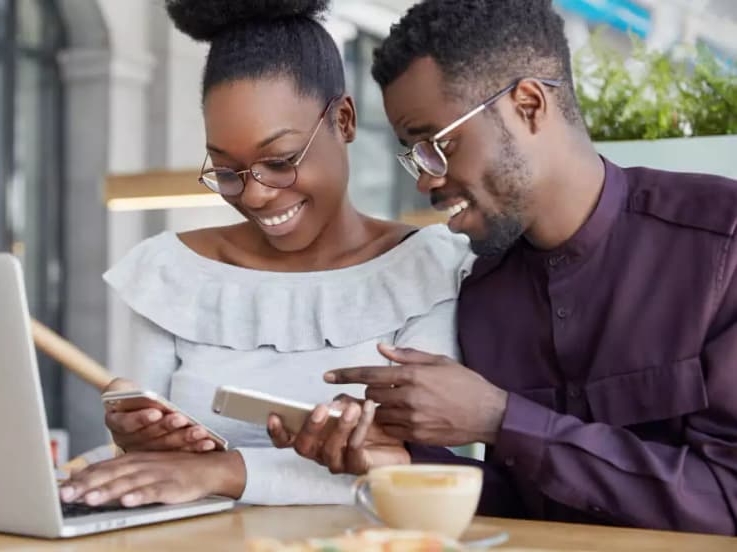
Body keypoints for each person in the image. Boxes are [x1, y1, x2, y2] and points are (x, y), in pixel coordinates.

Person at [269, 0, 737, 536]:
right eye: (414, 153)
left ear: (530, 104)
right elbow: (532, 501)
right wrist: (401, 463)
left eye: (438, 144)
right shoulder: (486, 295)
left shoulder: (722, 242)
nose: (425, 179)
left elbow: (726, 498)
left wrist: (500, 417)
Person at [58, 0, 475, 509]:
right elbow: (151, 466)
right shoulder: (173, 271)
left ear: (343, 120)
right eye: (227, 171)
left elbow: (410, 468)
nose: (254, 196)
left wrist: (218, 470)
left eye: (279, 161)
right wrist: (137, 438)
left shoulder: (428, 269)